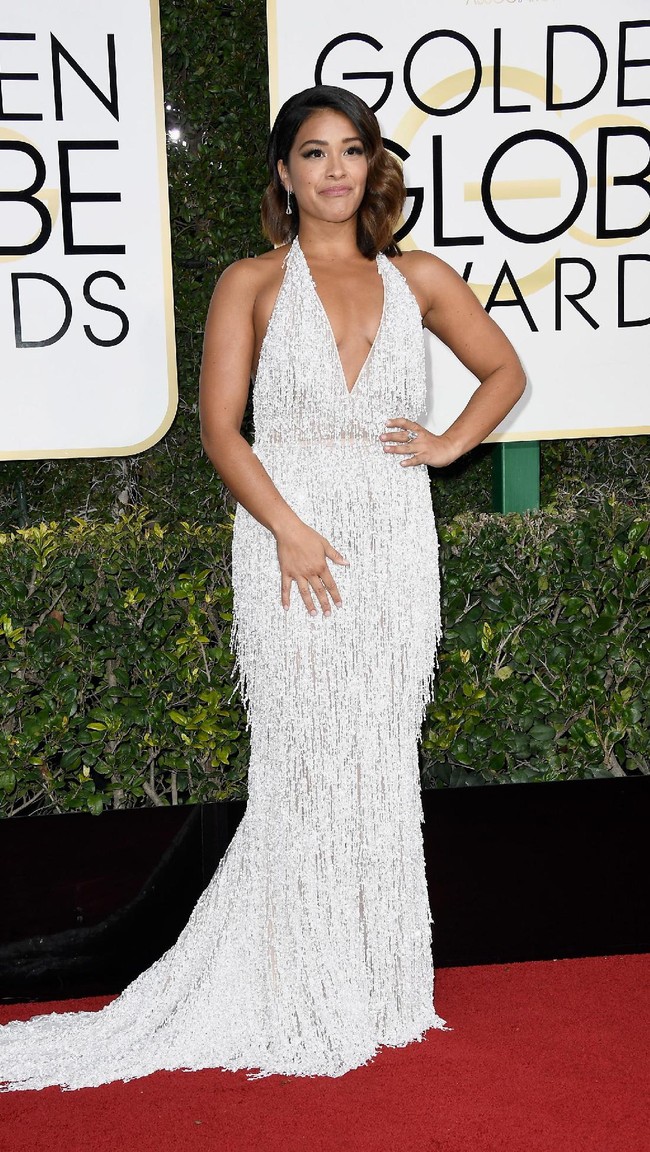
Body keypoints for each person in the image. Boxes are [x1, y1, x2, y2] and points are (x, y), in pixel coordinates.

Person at [0, 86, 524, 1092]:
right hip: (286, 541)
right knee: (304, 759)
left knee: (374, 755)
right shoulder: (250, 282)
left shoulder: (418, 277)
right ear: (282, 173)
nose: (334, 170)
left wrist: (450, 441)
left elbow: (499, 371)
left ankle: (374, 984)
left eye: (351, 151)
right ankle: (295, 981)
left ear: (373, 168)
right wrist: (287, 531)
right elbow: (219, 432)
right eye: (313, 153)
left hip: (391, 538)